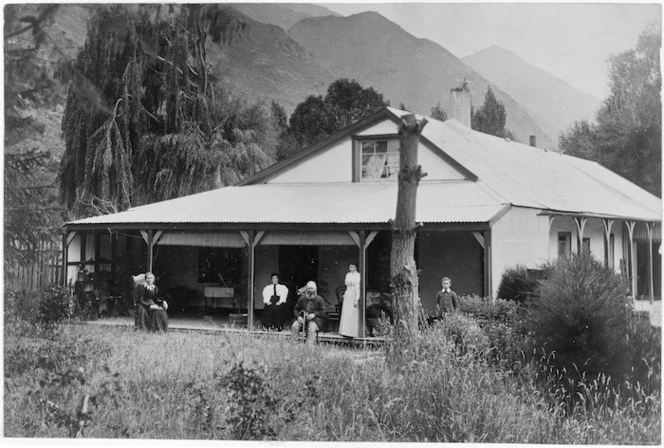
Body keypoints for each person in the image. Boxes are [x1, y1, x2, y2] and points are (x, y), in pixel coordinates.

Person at [290, 281, 327, 345]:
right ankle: (294, 344)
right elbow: (296, 309)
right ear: (306, 289)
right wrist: (298, 317)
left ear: (315, 289)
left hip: (314, 320)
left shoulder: (319, 299)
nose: (310, 290)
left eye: (312, 288)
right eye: (309, 288)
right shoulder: (302, 299)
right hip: (302, 318)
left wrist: (314, 314)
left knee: (311, 329)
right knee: (294, 326)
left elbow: (323, 311)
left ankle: (308, 346)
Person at [338, 263, 361, 338]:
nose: (351, 268)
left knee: (352, 312)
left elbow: (357, 287)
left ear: (356, 268)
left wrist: (357, 299)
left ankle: (352, 332)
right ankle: (345, 331)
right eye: (350, 267)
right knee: (346, 312)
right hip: (348, 293)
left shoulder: (358, 275)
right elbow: (347, 284)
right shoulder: (348, 275)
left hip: (354, 293)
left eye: (353, 267)